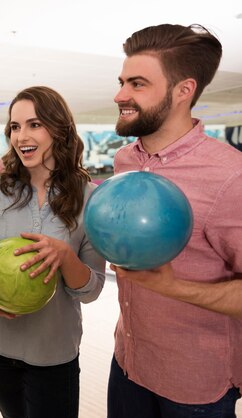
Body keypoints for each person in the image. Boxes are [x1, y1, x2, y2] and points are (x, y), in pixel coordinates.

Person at [108, 23, 242, 418]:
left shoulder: (230, 177)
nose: (120, 95)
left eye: (137, 84)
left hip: (195, 386)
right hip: (128, 361)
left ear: (183, 91)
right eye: (121, 82)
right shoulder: (125, 161)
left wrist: (174, 286)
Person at [0, 86, 106, 418]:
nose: (21, 135)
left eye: (34, 124)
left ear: (59, 129)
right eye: (15, 126)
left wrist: (66, 258)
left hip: (53, 352)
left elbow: (92, 289)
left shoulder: (92, 199)